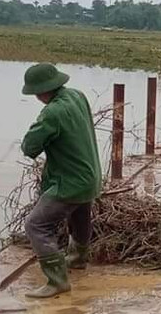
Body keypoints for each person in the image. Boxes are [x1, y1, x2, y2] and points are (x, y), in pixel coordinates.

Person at [18, 63, 102, 299]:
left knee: (36, 225)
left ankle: (57, 280)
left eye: (35, 92)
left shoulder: (52, 112)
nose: (35, 97)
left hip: (71, 181)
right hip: (91, 175)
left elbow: (30, 146)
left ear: (43, 90)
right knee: (80, 215)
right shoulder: (77, 95)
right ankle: (77, 259)